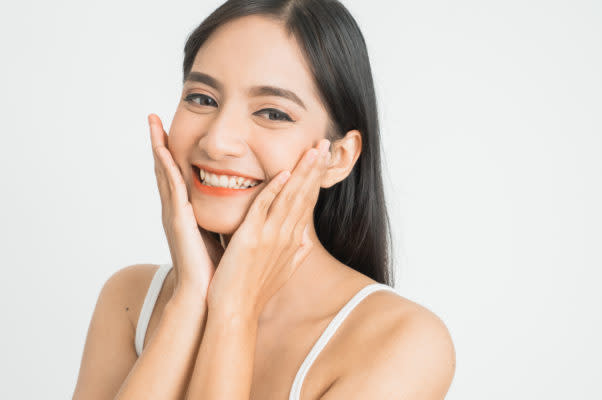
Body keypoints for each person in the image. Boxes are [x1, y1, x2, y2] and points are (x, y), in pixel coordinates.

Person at [73, 1, 455, 399]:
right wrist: (189, 300)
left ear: (338, 158)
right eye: (202, 98)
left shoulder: (402, 343)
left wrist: (234, 310)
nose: (218, 141)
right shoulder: (130, 299)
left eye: (272, 113)